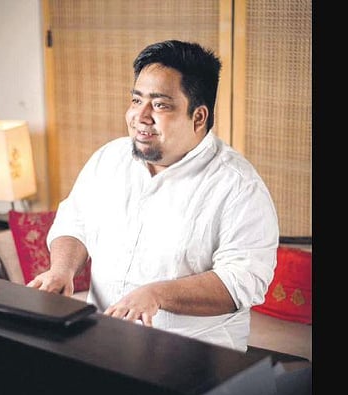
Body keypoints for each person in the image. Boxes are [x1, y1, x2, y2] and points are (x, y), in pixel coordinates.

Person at [26, 40, 279, 352]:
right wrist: (62, 269)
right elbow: (75, 222)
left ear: (199, 117)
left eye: (160, 105)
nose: (140, 116)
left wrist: (157, 295)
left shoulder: (238, 186)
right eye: (136, 100)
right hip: (104, 342)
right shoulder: (109, 158)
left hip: (196, 356)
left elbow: (241, 280)